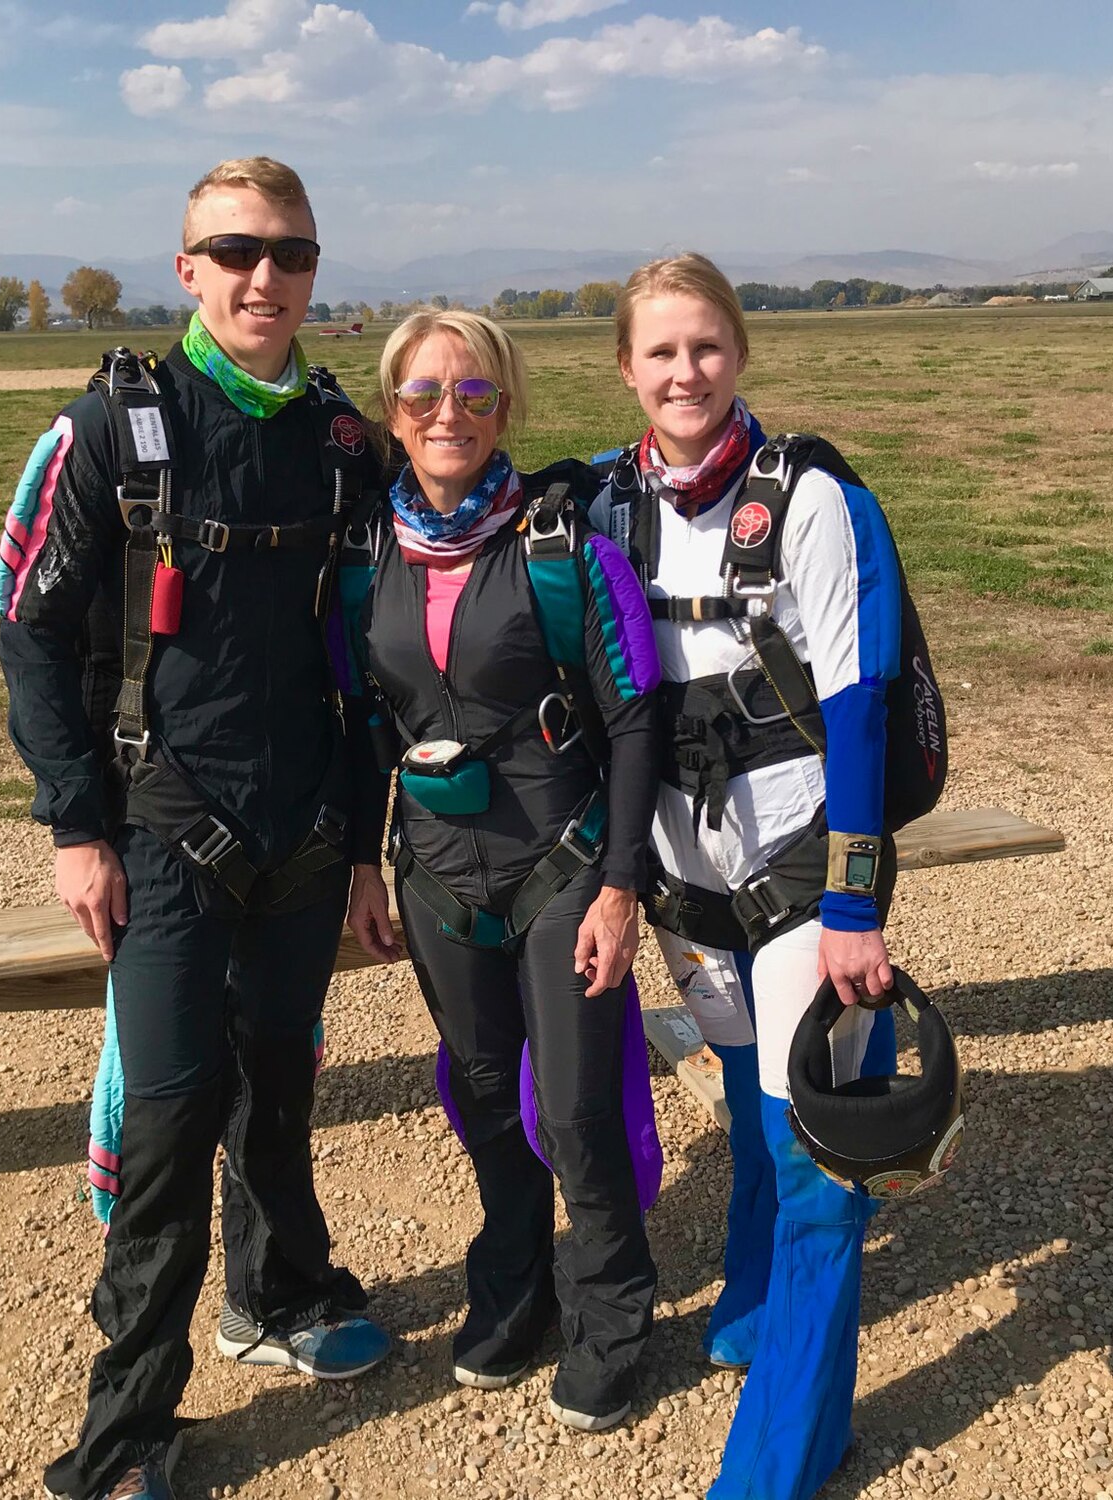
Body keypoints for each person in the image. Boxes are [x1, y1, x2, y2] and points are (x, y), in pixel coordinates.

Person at [0, 157, 390, 1500]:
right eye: (235, 252)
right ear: (188, 269)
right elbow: (32, 630)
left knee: (278, 1097)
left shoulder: (343, 441)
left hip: (301, 837)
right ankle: (127, 1438)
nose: (263, 276)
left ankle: (272, 1302)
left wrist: (361, 843)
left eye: (289, 252)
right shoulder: (111, 428)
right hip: (163, 839)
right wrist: (72, 825)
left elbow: (375, 649)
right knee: (165, 1133)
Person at [595, 253, 911, 1500]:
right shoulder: (605, 505)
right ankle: (750, 1300)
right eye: (660, 352)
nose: (684, 372)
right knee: (742, 1087)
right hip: (683, 880)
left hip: (794, 874)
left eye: (706, 348)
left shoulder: (808, 502)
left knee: (820, 1150)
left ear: (740, 356)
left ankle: (785, 1454)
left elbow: (861, 705)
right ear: (625, 368)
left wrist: (851, 903)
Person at [339, 310, 663, 1432]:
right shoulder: (364, 555)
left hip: (560, 864)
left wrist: (619, 885)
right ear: (392, 411)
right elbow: (360, 725)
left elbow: (633, 726)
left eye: (474, 394)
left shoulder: (566, 550)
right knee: (480, 1095)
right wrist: (358, 865)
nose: (448, 414)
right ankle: (514, 1287)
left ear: (506, 407)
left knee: (573, 1109)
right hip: (431, 873)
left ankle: (614, 1312)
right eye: (425, 394)